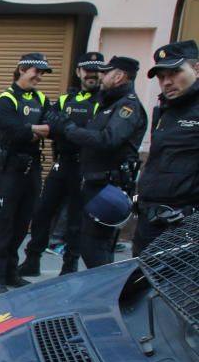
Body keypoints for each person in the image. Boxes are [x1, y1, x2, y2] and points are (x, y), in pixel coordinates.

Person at [47, 56, 147, 268]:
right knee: (89, 244)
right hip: (94, 183)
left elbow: (108, 139)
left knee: (95, 247)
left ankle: (106, 295)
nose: (100, 76)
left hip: (107, 188)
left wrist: (69, 129)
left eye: (105, 72)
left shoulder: (127, 107)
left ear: (119, 76)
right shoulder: (109, 103)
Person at [19, 52, 104, 277]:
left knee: (76, 220)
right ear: (79, 72)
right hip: (62, 164)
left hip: (84, 167)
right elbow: (51, 125)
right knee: (42, 213)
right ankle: (32, 260)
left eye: (96, 70)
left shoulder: (103, 102)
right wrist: (71, 130)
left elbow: (94, 134)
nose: (92, 74)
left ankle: (69, 266)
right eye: (87, 69)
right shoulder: (67, 99)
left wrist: (67, 129)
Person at [0, 53, 52, 296]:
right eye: (37, 71)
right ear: (23, 69)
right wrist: (34, 130)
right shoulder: (6, 99)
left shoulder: (41, 99)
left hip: (32, 169)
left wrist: (33, 130)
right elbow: (11, 131)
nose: (40, 77)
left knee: (23, 223)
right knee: (5, 224)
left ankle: (11, 274)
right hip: (11, 170)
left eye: (43, 73)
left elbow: (53, 124)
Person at [132, 40, 199, 254]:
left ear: (196, 68)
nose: (166, 82)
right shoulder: (165, 109)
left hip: (182, 227)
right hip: (150, 221)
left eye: (174, 73)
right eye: (161, 76)